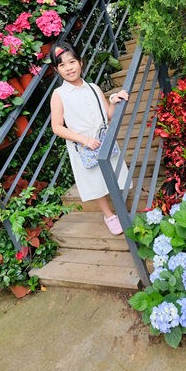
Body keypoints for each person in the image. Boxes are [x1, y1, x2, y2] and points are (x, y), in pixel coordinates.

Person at [49, 42, 130, 235]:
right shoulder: (59, 94)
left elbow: (107, 115)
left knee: (113, 174)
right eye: (62, 65)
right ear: (56, 69)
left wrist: (113, 101)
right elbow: (57, 127)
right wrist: (83, 140)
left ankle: (121, 208)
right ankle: (109, 215)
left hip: (104, 139)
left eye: (72, 62)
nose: (69, 67)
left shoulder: (93, 87)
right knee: (95, 181)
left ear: (80, 62)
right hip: (84, 145)